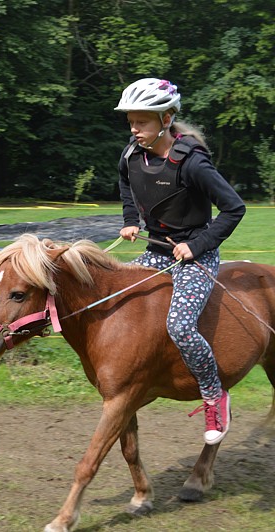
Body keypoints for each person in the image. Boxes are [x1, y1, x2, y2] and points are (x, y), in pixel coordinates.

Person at [115, 78, 246, 445]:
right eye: (131, 121)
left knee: (181, 326)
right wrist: (130, 220)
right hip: (155, 251)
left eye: (141, 121)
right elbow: (126, 183)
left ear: (166, 118)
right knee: (120, 302)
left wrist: (197, 245)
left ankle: (214, 396)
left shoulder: (193, 164)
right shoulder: (130, 153)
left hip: (196, 255)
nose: (134, 129)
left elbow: (234, 208)